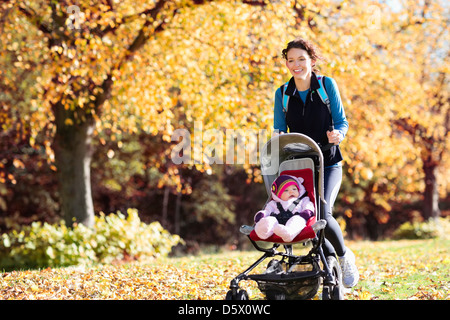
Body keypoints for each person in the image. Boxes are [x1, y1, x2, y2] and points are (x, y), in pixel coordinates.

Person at [272, 37, 359, 288]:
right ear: (286, 63)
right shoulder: (282, 94)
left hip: (329, 163)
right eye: (291, 60)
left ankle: (343, 257)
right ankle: (329, 260)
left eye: (301, 59)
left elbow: (342, 121)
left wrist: (338, 134)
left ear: (311, 60)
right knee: (306, 215)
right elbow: (279, 129)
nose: (296, 64)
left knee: (322, 210)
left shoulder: (325, 85)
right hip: (299, 166)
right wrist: (275, 139)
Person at [253, 175, 316, 242]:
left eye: (294, 189)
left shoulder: (303, 200)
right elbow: (267, 211)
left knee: (297, 220)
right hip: (277, 223)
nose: (291, 192)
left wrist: (307, 211)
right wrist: (262, 214)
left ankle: (288, 233)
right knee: (270, 220)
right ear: (278, 195)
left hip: (295, 218)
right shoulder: (274, 203)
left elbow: (309, 205)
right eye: (286, 190)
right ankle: (263, 231)